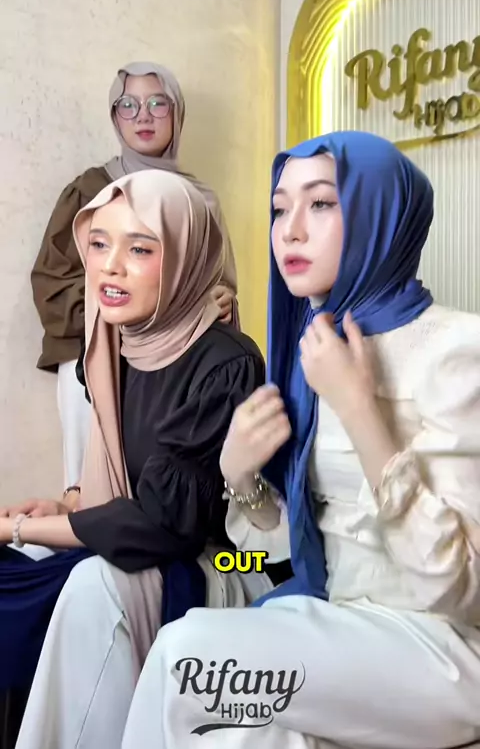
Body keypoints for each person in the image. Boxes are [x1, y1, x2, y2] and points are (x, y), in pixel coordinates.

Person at [120, 131, 480, 749]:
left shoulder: (457, 350)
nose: (289, 231)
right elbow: (296, 554)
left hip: (443, 649)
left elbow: (460, 588)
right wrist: (240, 476)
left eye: (320, 203)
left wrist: (360, 411)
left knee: (186, 655)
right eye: (279, 208)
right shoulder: (313, 353)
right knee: (237, 736)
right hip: (338, 628)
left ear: (379, 215)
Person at [1, 169, 272, 748]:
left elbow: (161, 524)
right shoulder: (111, 347)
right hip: (139, 535)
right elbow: (117, 485)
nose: (110, 267)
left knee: (92, 581)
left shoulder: (226, 363)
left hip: (228, 562)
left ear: (184, 258)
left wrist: (19, 526)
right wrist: (62, 510)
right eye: (99, 244)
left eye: (140, 249)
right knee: (18, 565)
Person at [31, 61, 238, 488]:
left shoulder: (199, 201)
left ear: (177, 113)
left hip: (178, 365)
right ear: (114, 116)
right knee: (92, 495)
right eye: (128, 105)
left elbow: (217, 281)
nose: (143, 116)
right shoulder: (92, 191)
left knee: (167, 491)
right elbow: (53, 284)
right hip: (95, 359)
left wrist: (218, 298)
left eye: (158, 103)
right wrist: (125, 315)